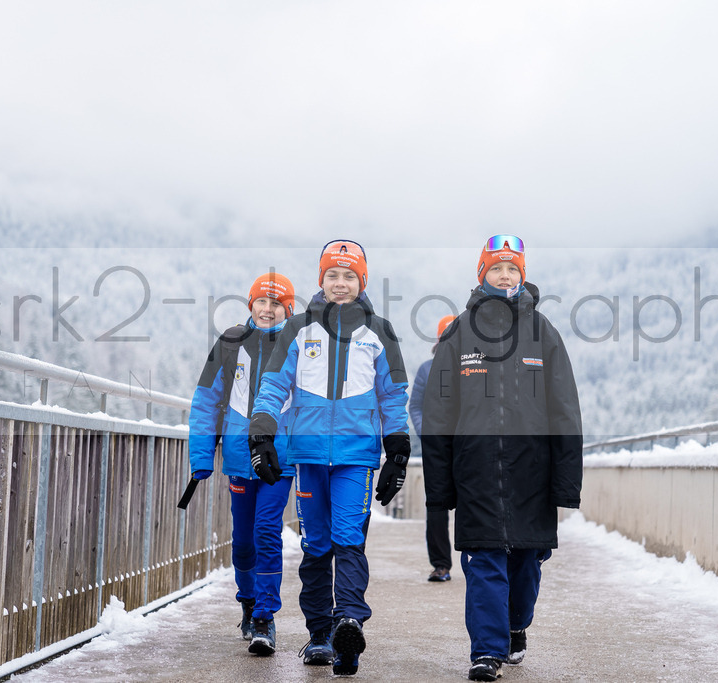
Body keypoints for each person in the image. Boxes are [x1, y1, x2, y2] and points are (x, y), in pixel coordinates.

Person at [421, 235, 583, 682]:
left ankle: (516, 627)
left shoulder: (543, 332)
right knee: (484, 561)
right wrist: (440, 488)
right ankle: (487, 650)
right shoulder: (459, 333)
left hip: (533, 471)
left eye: (513, 268)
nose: (505, 275)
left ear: (522, 274)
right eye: (496, 268)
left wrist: (567, 482)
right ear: (482, 274)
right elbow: (438, 414)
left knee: (526, 563)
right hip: (475, 472)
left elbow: (565, 408)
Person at [247, 239, 410, 676]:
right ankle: (320, 634)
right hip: (309, 455)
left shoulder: (381, 332)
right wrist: (262, 433)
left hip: (357, 457)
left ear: (362, 281)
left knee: (348, 538)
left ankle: (349, 623)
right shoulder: (298, 328)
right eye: (332, 276)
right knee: (316, 545)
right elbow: (273, 384)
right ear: (321, 280)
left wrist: (397, 450)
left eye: (349, 276)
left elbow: (394, 395)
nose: (341, 284)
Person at [188, 272, 297, 657]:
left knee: (268, 530)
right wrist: (201, 455)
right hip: (238, 456)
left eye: (276, 303)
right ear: (251, 304)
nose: (267, 310)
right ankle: (248, 603)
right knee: (243, 539)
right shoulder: (231, 341)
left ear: (289, 307)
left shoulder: (298, 342)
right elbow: (205, 400)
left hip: (281, 458)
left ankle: (265, 617)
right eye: (261, 302)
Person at [408, 314, 457, 582]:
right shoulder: (427, 369)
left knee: (471, 502)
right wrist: (426, 431)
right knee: (437, 505)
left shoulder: (471, 366)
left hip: (467, 444)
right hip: (436, 446)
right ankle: (441, 564)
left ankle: (474, 558)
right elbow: (414, 405)